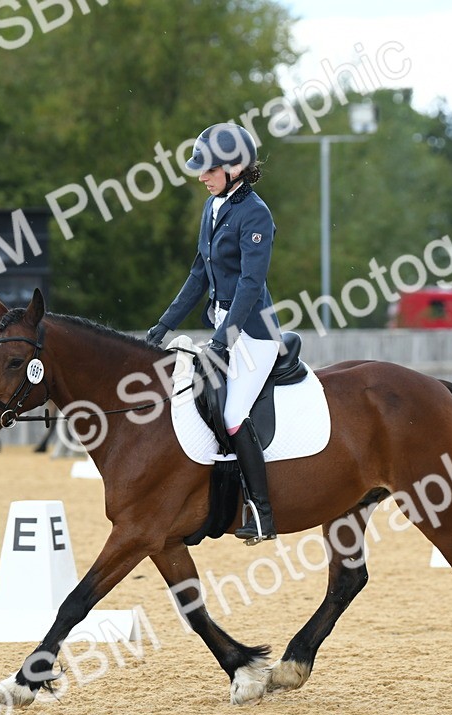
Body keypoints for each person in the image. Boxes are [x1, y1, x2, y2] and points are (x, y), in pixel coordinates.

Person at [146, 122, 281, 543]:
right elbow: (198, 275)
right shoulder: (214, 207)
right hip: (224, 327)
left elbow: (250, 284)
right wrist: (164, 326)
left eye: (208, 169)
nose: (201, 176)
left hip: (254, 333)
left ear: (235, 166)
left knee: (232, 415)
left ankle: (262, 514)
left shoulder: (255, 213)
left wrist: (226, 337)